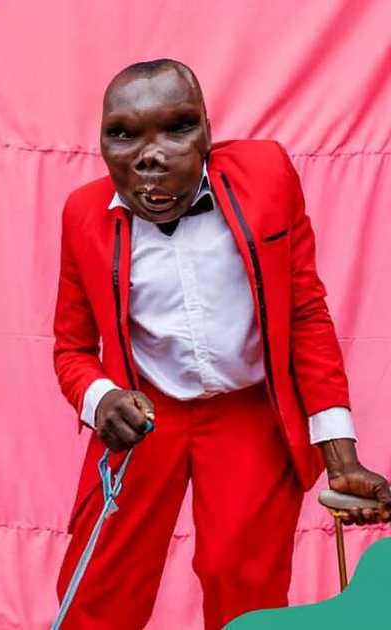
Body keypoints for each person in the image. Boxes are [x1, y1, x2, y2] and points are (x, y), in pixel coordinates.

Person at [51, 58, 391, 629]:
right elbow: (71, 349)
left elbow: (305, 313)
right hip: (147, 411)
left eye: (177, 128)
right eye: (123, 135)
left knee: (245, 583)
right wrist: (101, 398)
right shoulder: (84, 213)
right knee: (100, 582)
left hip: (249, 411)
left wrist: (341, 454)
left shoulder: (267, 176)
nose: (151, 156)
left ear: (208, 131)